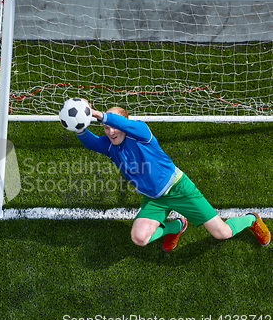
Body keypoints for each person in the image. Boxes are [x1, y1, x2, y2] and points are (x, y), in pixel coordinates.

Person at [74, 103, 270, 251]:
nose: (110, 132)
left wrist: (97, 114)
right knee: (140, 238)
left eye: (113, 126)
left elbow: (117, 123)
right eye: (106, 129)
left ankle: (250, 219)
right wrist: (78, 125)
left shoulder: (141, 132)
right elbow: (90, 142)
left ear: (125, 124)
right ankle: (177, 225)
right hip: (154, 198)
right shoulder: (109, 145)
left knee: (223, 233)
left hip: (179, 189)